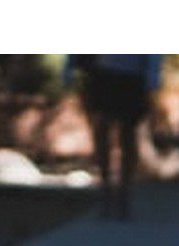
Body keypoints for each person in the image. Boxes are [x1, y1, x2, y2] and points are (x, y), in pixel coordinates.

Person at [68, 55, 163, 219]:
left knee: (127, 136)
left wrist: (152, 80)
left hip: (131, 77)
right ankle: (106, 191)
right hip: (102, 75)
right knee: (102, 133)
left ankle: (124, 194)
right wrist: (70, 67)